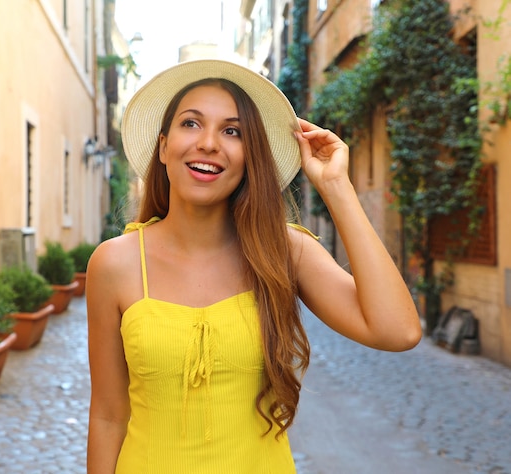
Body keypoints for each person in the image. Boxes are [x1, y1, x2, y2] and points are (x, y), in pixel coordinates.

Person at [86, 59, 421, 473]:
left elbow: (399, 330)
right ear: (163, 146)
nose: (209, 143)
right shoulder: (113, 263)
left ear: (250, 157)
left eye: (232, 131)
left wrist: (336, 186)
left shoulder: (284, 251)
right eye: (191, 124)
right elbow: (107, 415)